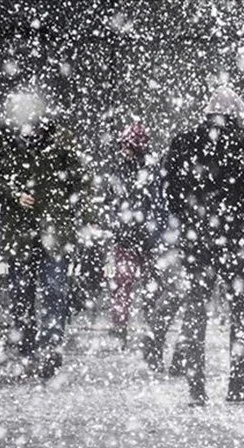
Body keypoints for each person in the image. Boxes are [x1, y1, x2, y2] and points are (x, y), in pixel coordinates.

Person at [149, 86, 244, 405]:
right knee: (240, 310)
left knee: (195, 307)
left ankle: (196, 387)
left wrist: (189, 220)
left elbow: (169, 186)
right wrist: (240, 223)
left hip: (197, 239)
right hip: (235, 240)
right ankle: (237, 383)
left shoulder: (185, 142)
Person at [0, 92, 92, 378]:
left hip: (51, 229)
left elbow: (81, 177)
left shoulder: (59, 140)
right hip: (23, 231)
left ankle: (49, 348)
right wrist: (13, 194)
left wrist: (66, 203)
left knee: (52, 290)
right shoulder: (3, 141)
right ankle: (30, 347)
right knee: (23, 293)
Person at [106, 121, 160, 346]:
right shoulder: (148, 169)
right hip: (136, 236)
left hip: (135, 236)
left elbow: (113, 200)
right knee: (129, 284)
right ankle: (133, 325)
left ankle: (127, 326)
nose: (123, 151)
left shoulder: (131, 170)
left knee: (126, 284)